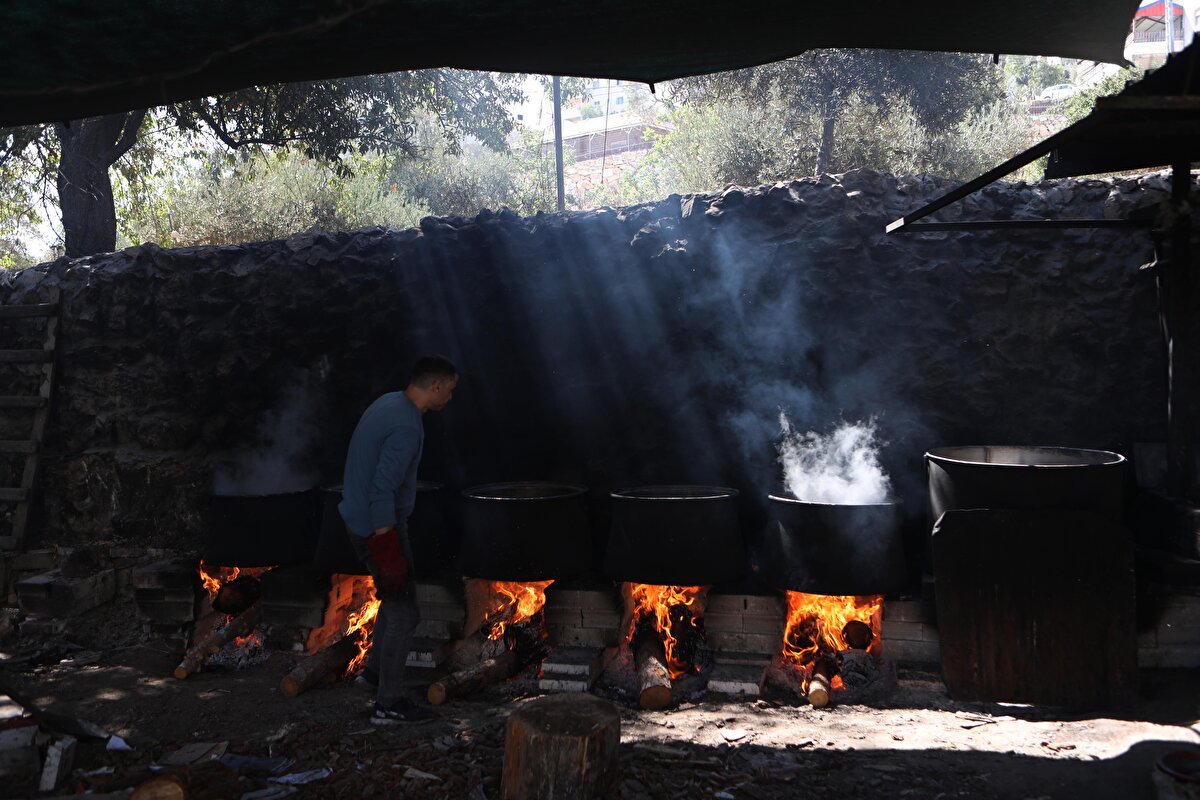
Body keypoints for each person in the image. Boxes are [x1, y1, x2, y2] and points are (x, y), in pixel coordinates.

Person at [339, 355, 458, 724]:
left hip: (361, 518)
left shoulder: (388, 402)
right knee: (406, 612)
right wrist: (386, 546)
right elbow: (382, 487)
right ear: (435, 386)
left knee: (393, 602)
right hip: (378, 526)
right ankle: (388, 704)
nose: (450, 399)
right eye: (450, 391)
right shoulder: (407, 426)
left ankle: (374, 675)